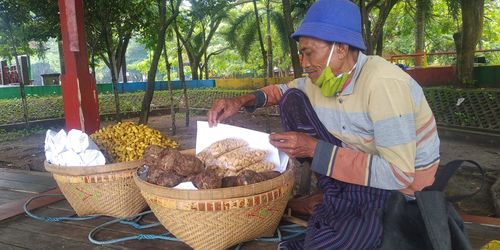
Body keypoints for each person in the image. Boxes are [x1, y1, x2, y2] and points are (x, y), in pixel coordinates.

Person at [208, 0, 440, 249]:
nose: (304, 63)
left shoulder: (384, 84)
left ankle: (340, 203)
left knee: (335, 242)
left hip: (399, 190)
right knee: (293, 100)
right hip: (356, 168)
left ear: (340, 48)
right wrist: (242, 101)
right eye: (302, 54)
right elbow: (283, 90)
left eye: (309, 53)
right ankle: (334, 193)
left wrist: (314, 150)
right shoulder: (322, 80)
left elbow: (398, 174)